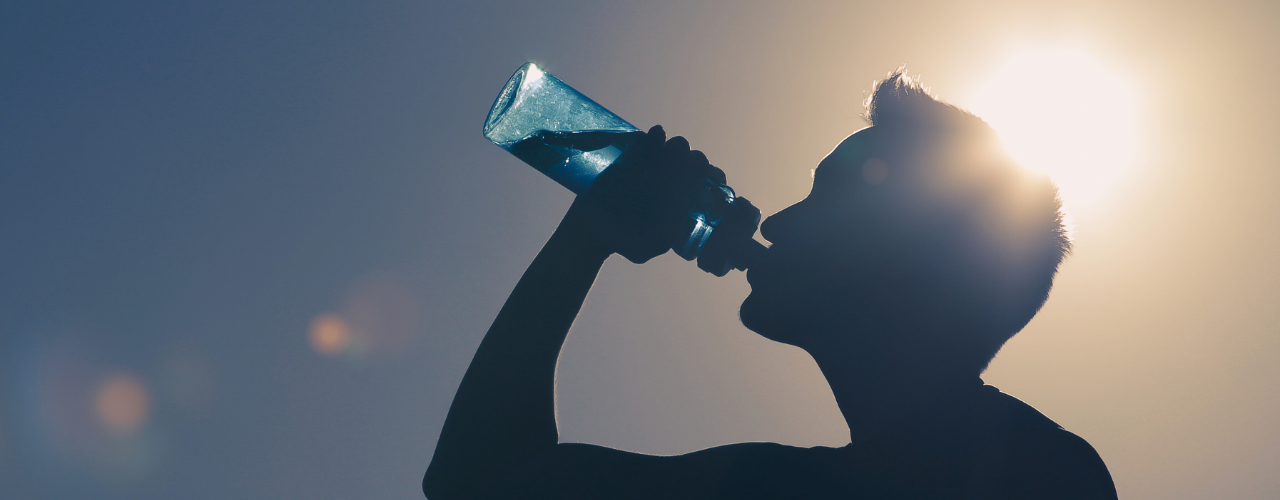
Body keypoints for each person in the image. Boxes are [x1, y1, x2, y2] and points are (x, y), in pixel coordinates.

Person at [423, 70, 1118, 499]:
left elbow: (480, 482)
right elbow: (479, 484)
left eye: (830, 197)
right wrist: (586, 237)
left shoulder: (1037, 474)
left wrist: (581, 246)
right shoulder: (774, 484)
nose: (777, 221)